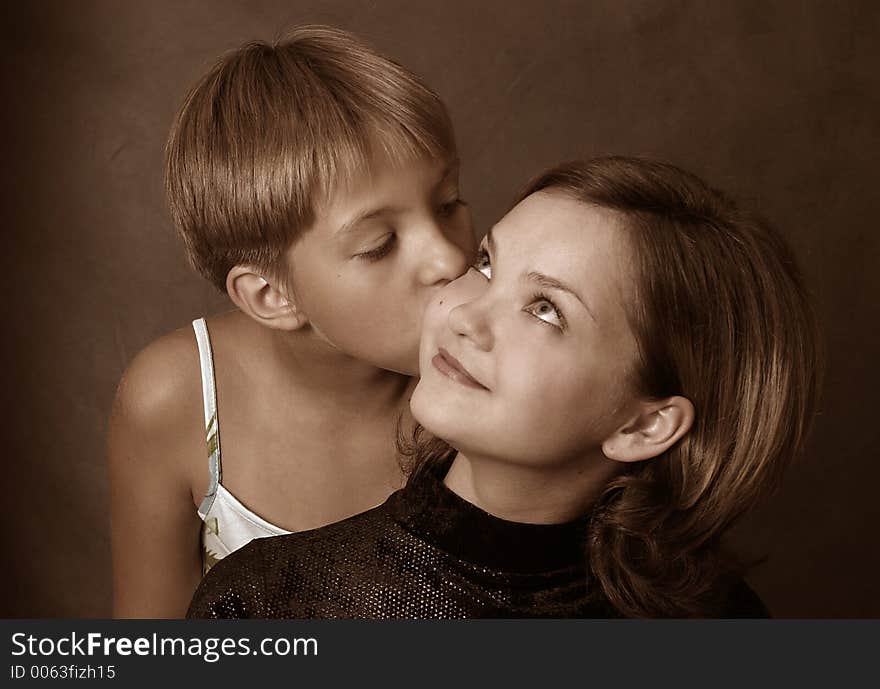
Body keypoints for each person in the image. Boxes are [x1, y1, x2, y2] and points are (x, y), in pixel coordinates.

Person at [187, 156, 822, 619]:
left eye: (545, 308)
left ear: (643, 426)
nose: (461, 314)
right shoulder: (269, 603)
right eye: (486, 263)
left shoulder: (722, 622)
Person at [106, 26, 474, 618]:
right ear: (273, 295)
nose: (451, 259)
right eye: (380, 244)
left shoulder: (492, 380)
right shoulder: (177, 399)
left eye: (450, 203)